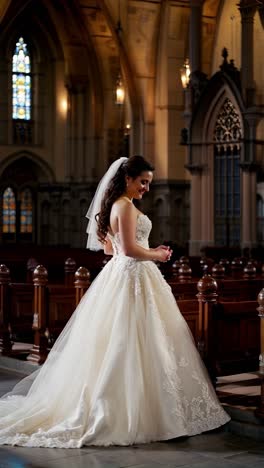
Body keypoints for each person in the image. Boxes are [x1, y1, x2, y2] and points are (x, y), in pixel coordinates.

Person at [0, 155, 230, 448]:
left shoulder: (116, 207)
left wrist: (139, 251)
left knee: (133, 339)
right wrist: (157, 254)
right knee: (134, 339)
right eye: (143, 182)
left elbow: (111, 248)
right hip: (132, 274)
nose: (146, 188)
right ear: (128, 179)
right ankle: (137, 412)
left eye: (149, 182)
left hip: (123, 274)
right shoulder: (125, 206)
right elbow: (131, 249)